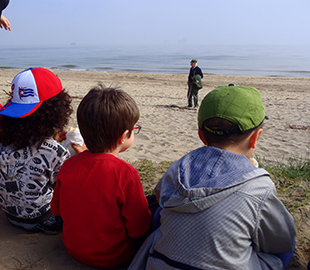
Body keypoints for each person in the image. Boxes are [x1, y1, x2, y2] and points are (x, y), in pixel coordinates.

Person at [129, 84, 296, 270]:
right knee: (286, 246)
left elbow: (160, 196)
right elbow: (280, 239)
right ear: (255, 138)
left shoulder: (178, 168)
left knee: (161, 213)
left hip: (160, 264)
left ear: (201, 135)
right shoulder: (259, 187)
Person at [51, 85, 152, 269]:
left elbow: (56, 209)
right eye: (134, 129)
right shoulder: (126, 174)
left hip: (73, 248)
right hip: (113, 257)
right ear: (123, 137)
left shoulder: (69, 165)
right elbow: (139, 227)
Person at [0, 67, 73, 234]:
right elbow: (65, 191)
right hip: (43, 221)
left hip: (11, 217)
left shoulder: (2, 143)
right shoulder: (56, 152)